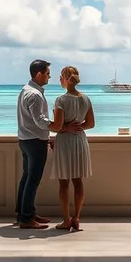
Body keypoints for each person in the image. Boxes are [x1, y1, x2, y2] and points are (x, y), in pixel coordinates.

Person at [16, 60, 81, 229]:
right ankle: (26, 218)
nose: (50, 76)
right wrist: (62, 128)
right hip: (35, 141)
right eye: (47, 73)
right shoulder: (35, 95)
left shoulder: (25, 90)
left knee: (26, 178)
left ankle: (25, 212)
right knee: (33, 180)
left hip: (25, 139)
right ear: (39, 74)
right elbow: (40, 121)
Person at [48, 66, 94, 231]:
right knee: (78, 180)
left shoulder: (61, 100)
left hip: (66, 142)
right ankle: (77, 217)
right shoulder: (86, 99)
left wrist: (63, 127)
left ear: (66, 79)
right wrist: (78, 126)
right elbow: (90, 124)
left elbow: (57, 126)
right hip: (80, 140)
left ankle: (66, 220)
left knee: (64, 183)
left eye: (60, 77)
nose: (59, 79)